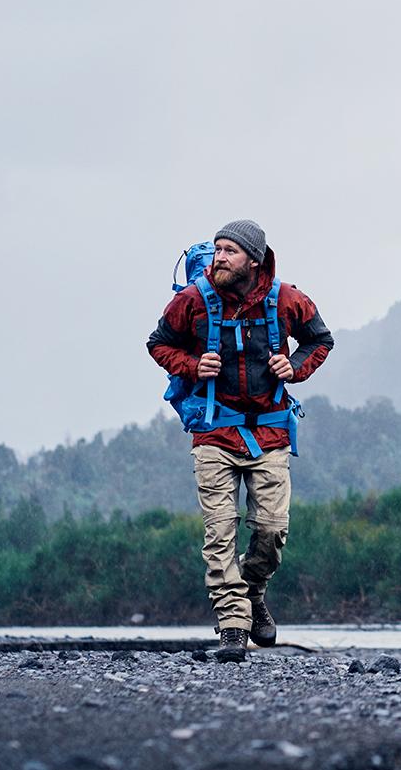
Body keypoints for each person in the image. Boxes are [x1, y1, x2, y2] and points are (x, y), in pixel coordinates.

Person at [146, 220, 333, 661]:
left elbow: (319, 340)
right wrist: (192, 365)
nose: (220, 258)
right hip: (214, 430)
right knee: (220, 531)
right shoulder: (193, 300)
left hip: (269, 430)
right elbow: (158, 344)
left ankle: (252, 595)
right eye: (216, 250)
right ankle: (232, 624)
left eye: (230, 250)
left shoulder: (286, 299)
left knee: (271, 530)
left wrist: (296, 368)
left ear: (254, 259)